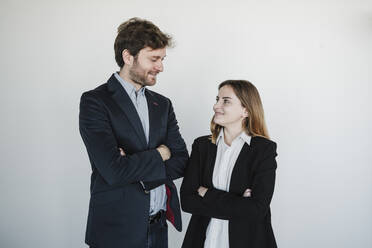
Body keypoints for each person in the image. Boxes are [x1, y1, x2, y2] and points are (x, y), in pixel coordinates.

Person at [79, 17, 188, 248]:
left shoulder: (163, 104)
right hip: (115, 231)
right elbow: (113, 171)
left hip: (158, 228)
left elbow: (181, 161)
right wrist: (159, 154)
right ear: (128, 57)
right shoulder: (95, 102)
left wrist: (131, 162)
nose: (160, 67)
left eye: (162, 59)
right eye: (154, 59)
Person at [180, 80, 278, 248]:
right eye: (217, 99)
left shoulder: (263, 150)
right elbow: (187, 201)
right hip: (203, 241)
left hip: (248, 241)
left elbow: (256, 210)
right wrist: (240, 204)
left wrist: (207, 194)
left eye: (225, 101)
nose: (216, 106)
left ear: (245, 110)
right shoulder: (202, 146)